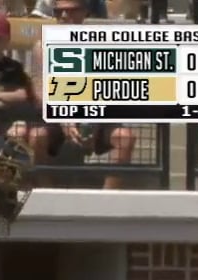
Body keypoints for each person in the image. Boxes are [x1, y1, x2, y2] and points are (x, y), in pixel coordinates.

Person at [26, 0, 137, 191]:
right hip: (55, 118)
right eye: (58, 12)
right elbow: (40, 93)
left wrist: (93, 121)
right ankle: (46, 193)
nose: (63, 16)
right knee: (37, 137)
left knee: (126, 138)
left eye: (70, 11)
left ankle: (107, 198)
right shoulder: (42, 46)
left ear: (84, 12)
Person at [0, 15, 33, 138]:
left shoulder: (13, 67)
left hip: (8, 119)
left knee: (20, 130)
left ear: (6, 40)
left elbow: (24, 94)